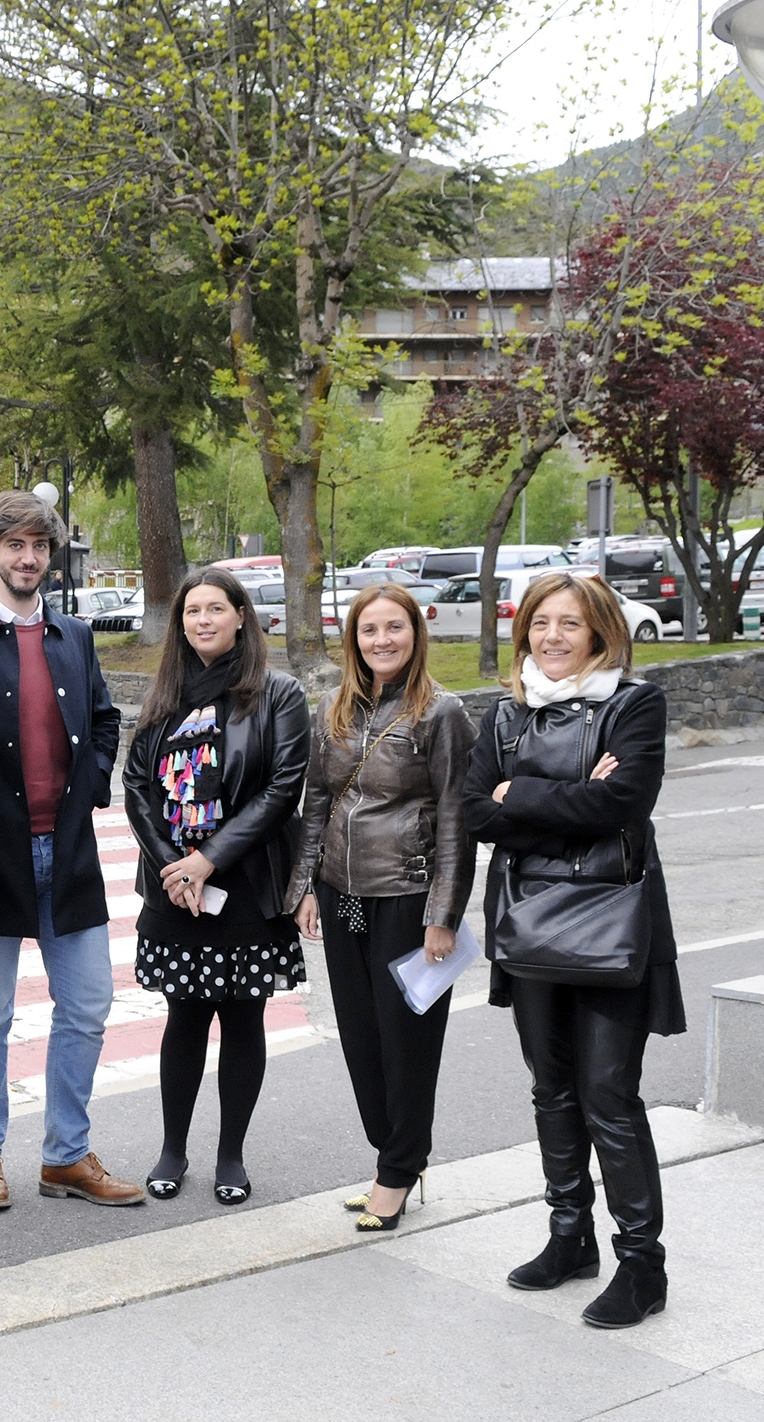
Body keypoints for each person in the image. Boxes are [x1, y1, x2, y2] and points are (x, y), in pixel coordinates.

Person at [461, 571, 683, 1330]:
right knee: (550, 1088)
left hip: (613, 926)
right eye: (541, 623)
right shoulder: (504, 716)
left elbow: (622, 804)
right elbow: (470, 814)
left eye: (571, 624)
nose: (553, 637)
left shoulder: (635, 704)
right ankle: (569, 1237)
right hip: (529, 926)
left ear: (600, 633)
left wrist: (515, 797)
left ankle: (642, 1265)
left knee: (609, 1097)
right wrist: (557, 802)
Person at [0, 490, 139, 1211]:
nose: (28, 558)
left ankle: (64, 1155)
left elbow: (102, 714)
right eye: (15, 546)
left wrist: (92, 784)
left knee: (88, 1002)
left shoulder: (75, 636)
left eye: (39, 547)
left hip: (69, 850)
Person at [288, 584, 476, 1232]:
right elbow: (317, 801)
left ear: (415, 633)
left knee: (407, 1044)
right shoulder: (332, 709)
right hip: (346, 898)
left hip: (408, 898)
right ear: (354, 639)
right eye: (370, 630)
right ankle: (391, 1159)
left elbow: (457, 819)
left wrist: (443, 915)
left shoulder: (442, 714)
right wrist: (305, 886)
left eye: (394, 628)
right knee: (362, 1041)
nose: (382, 641)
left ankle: (399, 1169)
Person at [124, 566, 309, 1206]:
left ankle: (231, 1153)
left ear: (240, 617)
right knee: (184, 1018)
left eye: (214, 609)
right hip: (175, 890)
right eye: (191, 612)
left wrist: (209, 860)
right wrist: (176, 866)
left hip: (248, 888)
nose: (202, 620)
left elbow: (283, 788)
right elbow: (137, 788)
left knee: (242, 1018)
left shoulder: (277, 693)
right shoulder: (165, 697)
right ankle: (173, 1146)